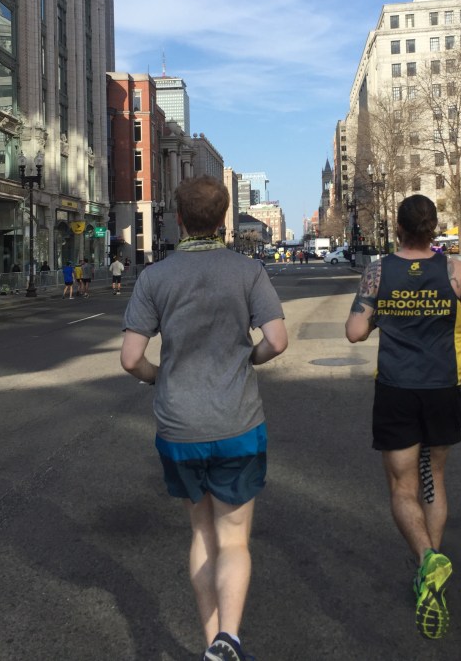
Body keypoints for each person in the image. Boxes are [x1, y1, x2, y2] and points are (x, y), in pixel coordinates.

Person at [120, 176, 287, 661]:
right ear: (223, 218)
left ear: (178, 219)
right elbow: (277, 340)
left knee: (201, 534)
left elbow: (131, 358)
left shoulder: (154, 278)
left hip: (180, 425)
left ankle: (212, 643)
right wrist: (249, 359)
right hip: (238, 422)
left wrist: (158, 377)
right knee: (233, 540)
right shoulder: (248, 271)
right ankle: (229, 639)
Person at [345, 194, 461, 640]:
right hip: (442, 388)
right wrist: (458, 319)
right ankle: (431, 571)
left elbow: (355, 331)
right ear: (433, 230)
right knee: (435, 479)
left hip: (397, 390)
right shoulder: (455, 271)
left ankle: (427, 560)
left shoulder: (379, 271)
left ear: (398, 229)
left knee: (402, 486)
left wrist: (383, 316)